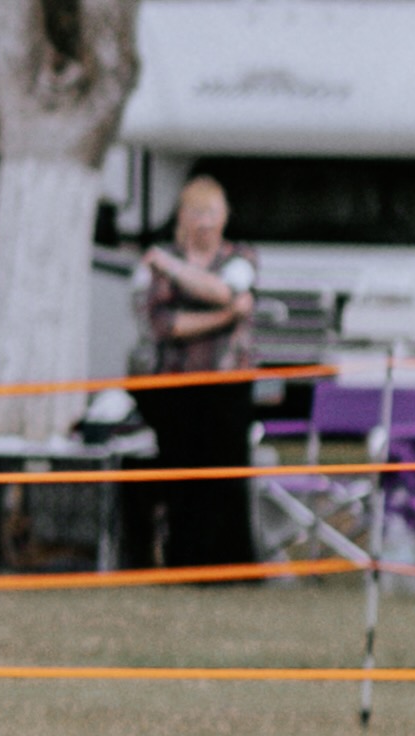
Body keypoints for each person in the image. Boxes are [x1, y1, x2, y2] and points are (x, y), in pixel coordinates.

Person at [127, 175, 260, 570]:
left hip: (228, 387)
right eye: (196, 213)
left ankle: (232, 567)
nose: (204, 222)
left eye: (212, 213)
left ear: (225, 217)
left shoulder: (240, 258)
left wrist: (173, 271)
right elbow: (162, 326)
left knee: (227, 477)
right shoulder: (157, 261)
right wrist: (225, 317)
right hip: (174, 387)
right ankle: (184, 562)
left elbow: (226, 290)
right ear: (181, 217)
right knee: (181, 477)